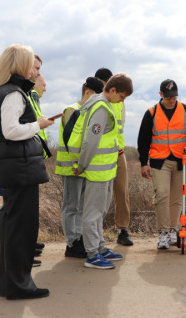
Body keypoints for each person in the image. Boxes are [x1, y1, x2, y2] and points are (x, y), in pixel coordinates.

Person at [0, 44, 55, 299]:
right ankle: (19, 285)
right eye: (32, 64)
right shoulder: (14, 93)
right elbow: (11, 131)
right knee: (21, 229)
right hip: (20, 168)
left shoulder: (3, 91)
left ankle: (12, 284)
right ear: (20, 64)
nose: (36, 71)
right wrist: (38, 124)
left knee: (16, 227)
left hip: (15, 167)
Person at [68, 73, 133, 269]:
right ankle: (92, 254)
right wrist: (81, 165)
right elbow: (90, 141)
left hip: (105, 169)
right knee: (92, 213)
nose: (121, 101)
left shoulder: (103, 105)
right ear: (112, 90)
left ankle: (100, 247)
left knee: (100, 211)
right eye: (121, 97)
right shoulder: (101, 108)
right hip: (96, 169)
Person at [137, 79, 186, 249]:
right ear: (160, 95)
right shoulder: (151, 113)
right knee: (162, 195)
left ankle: (174, 231)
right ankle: (163, 233)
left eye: (174, 96)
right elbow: (143, 140)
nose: (172, 100)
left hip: (182, 161)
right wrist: (144, 163)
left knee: (177, 199)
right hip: (160, 162)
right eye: (168, 97)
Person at [55, 76, 104, 258]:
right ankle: (72, 243)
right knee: (71, 206)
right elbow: (70, 141)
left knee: (82, 207)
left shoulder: (88, 111)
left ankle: (80, 239)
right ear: (88, 92)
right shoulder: (72, 110)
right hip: (71, 167)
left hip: (83, 168)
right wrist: (78, 163)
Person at [95, 68, 133, 246]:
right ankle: (94, 234)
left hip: (118, 152)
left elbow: (121, 126)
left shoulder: (120, 101)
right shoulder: (95, 99)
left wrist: (119, 149)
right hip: (99, 154)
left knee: (121, 191)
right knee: (96, 195)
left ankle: (122, 230)